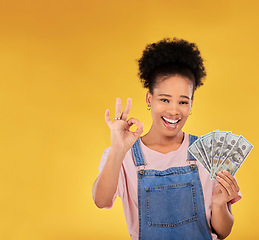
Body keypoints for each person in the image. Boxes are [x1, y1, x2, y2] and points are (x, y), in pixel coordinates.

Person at [92, 37, 242, 240]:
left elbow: (223, 231)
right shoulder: (123, 154)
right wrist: (118, 150)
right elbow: (101, 200)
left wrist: (218, 203)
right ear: (149, 99)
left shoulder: (209, 153)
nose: (174, 110)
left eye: (183, 102)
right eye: (164, 99)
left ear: (191, 104)